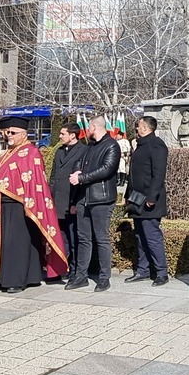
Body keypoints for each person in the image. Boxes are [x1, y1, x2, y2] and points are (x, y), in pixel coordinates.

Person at [0, 116, 67, 293]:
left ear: (24, 134)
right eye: (7, 133)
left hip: (20, 205)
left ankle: (15, 279)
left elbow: (35, 182)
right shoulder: (7, 153)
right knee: (3, 243)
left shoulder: (31, 153)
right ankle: (4, 277)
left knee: (17, 243)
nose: (9, 136)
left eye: (13, 132)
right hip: (2, 205)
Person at [66, 115, 119, 291]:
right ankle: (81, 276)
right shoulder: (91, 147)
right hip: (84, 199)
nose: (87, 130)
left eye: (88, 127)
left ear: (94, 127)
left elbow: (106, 169)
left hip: (101, 199)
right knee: (83, 239)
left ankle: (104, 278)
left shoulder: (111, 145)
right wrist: (77, 172)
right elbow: (78, 163)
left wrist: (81, 177)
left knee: (101, 238)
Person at [125, 116, 169, 286]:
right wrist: (128, 194)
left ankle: (161, 272)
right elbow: (134, 174)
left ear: (145, 128)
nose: (136, 129)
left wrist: (152, 197)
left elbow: (158, 174)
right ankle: (142, 270)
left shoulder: (156, 144)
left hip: (150, 200)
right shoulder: (140, 145)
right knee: (140, 235)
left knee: (152, 236)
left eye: (138, 126)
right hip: (137, 199)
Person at [49, 122, 84, 283]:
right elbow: (54, 176)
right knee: (61, 238)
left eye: (63, 134)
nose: (60, 136)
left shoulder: (83, 151)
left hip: (71, 201)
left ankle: (76, 270)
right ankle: (61, 267)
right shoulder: (59, 151)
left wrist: (75, 203)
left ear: (73, 135)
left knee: (74, 238)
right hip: (57, 202)